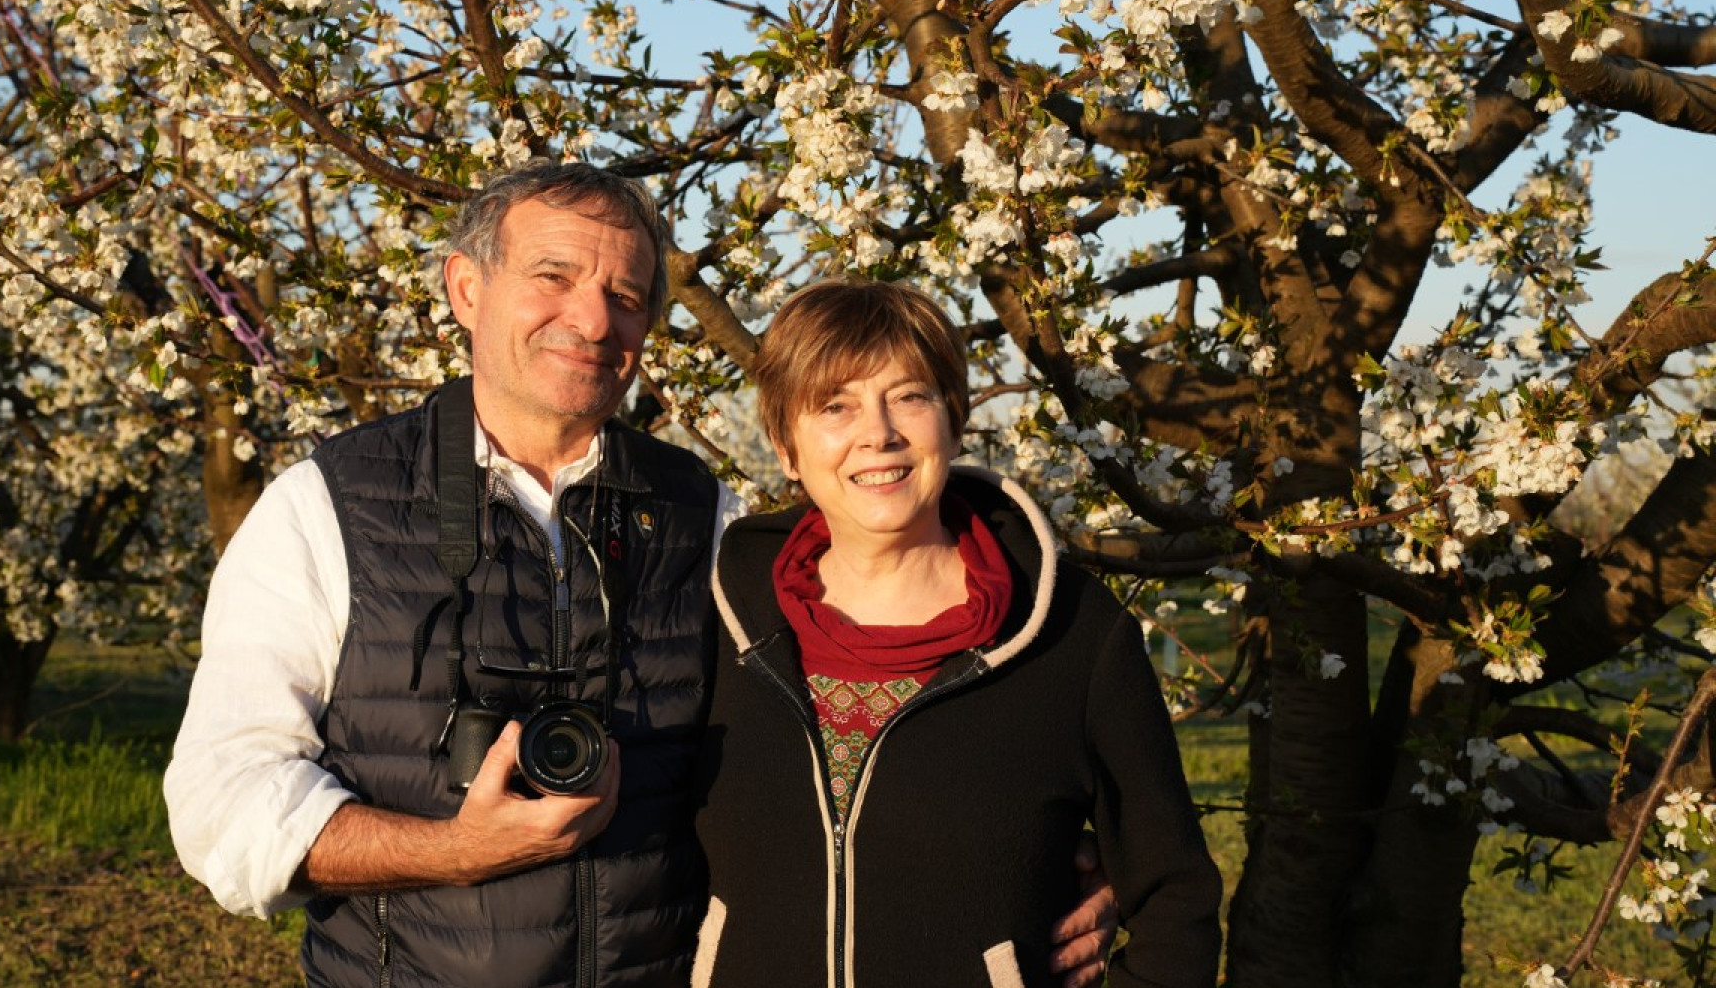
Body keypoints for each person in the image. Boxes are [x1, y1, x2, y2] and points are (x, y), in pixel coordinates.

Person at [163, 163, 1120, 988]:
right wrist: (458, 853)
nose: (590, 318)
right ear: (465, 288)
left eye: (625, 295)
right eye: (554, 276)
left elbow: (850, 719)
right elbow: (224, 806)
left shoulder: (705, 518)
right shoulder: (329, 506)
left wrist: (1029, 854)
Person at [692, 279, 1222, 988]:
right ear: (787, 447)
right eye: (835, 405)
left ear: (953, 419)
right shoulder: (716, 618)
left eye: (910, 396)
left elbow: (1175, 896)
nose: (878, 434)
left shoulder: (1073, 633)